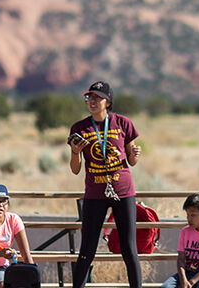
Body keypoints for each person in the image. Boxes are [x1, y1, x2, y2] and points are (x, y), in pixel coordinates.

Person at [68, 81, 143, 288]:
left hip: (123, 192)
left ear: (108, 102)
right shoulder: (79, 128)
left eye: (97, 98)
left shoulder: (123, 123)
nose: (92, 101)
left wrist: (135, 154)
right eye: (89, 98)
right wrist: (75, 152)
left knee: (129, 249)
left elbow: (132, 161)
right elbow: (75, 169)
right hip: (94, 194)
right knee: (87, 249)